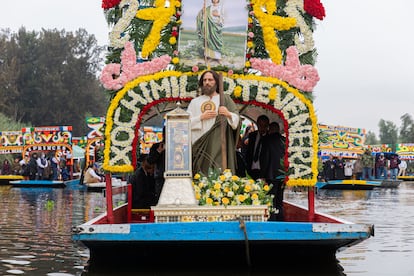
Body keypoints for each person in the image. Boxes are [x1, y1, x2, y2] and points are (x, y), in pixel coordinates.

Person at [187, 70, 240, 175]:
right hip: (199, 146)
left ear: (216, 82)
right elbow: (185, 123)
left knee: (218, 173)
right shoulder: (195, 102)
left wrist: (227, 113)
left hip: (219, 146)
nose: (207, 82)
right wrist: (200, 117)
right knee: (200, 176)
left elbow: (236, 119)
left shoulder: (224, 99)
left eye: (210, 80)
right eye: (204, 80)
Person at [261, 121, 285, 221]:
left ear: (270, 129)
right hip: (283, 175)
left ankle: (272, 219)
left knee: (271, 198)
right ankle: (280, 218)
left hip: (270, 174)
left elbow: (264, 158)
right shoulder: (284, 140)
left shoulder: (267, 140)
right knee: (280, 199)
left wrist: (262, 174)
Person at [245, 115, 269, 180]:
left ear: (267, 126)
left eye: (264, 126)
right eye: (260, 125)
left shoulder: (269, 137)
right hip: (251, 169)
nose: (262, 128)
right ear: (257, 124)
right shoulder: (252, 135)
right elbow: (249, 151)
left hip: (263, 171)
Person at [147, 127, 166, 202]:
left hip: (175, 177)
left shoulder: (178, 146)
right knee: (161, 200)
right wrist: (158, 151)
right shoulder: (156, 146)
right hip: (161, 177)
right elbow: (149, 161)